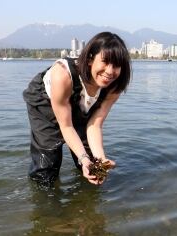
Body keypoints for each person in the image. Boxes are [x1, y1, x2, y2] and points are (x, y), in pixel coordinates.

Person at [23, 32, 131, 185]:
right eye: (105, 62)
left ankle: (85, 201)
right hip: (45, 102)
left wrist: (99, 158)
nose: (110, 71)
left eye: (116, 65)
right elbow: (66, 126)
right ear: (90, 59)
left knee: (93, 167)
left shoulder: (115, 86)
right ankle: (45, 202)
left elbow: (94, 125)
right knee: (46, 168)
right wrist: (82, 156)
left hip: (80, 104)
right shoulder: (62, 75)